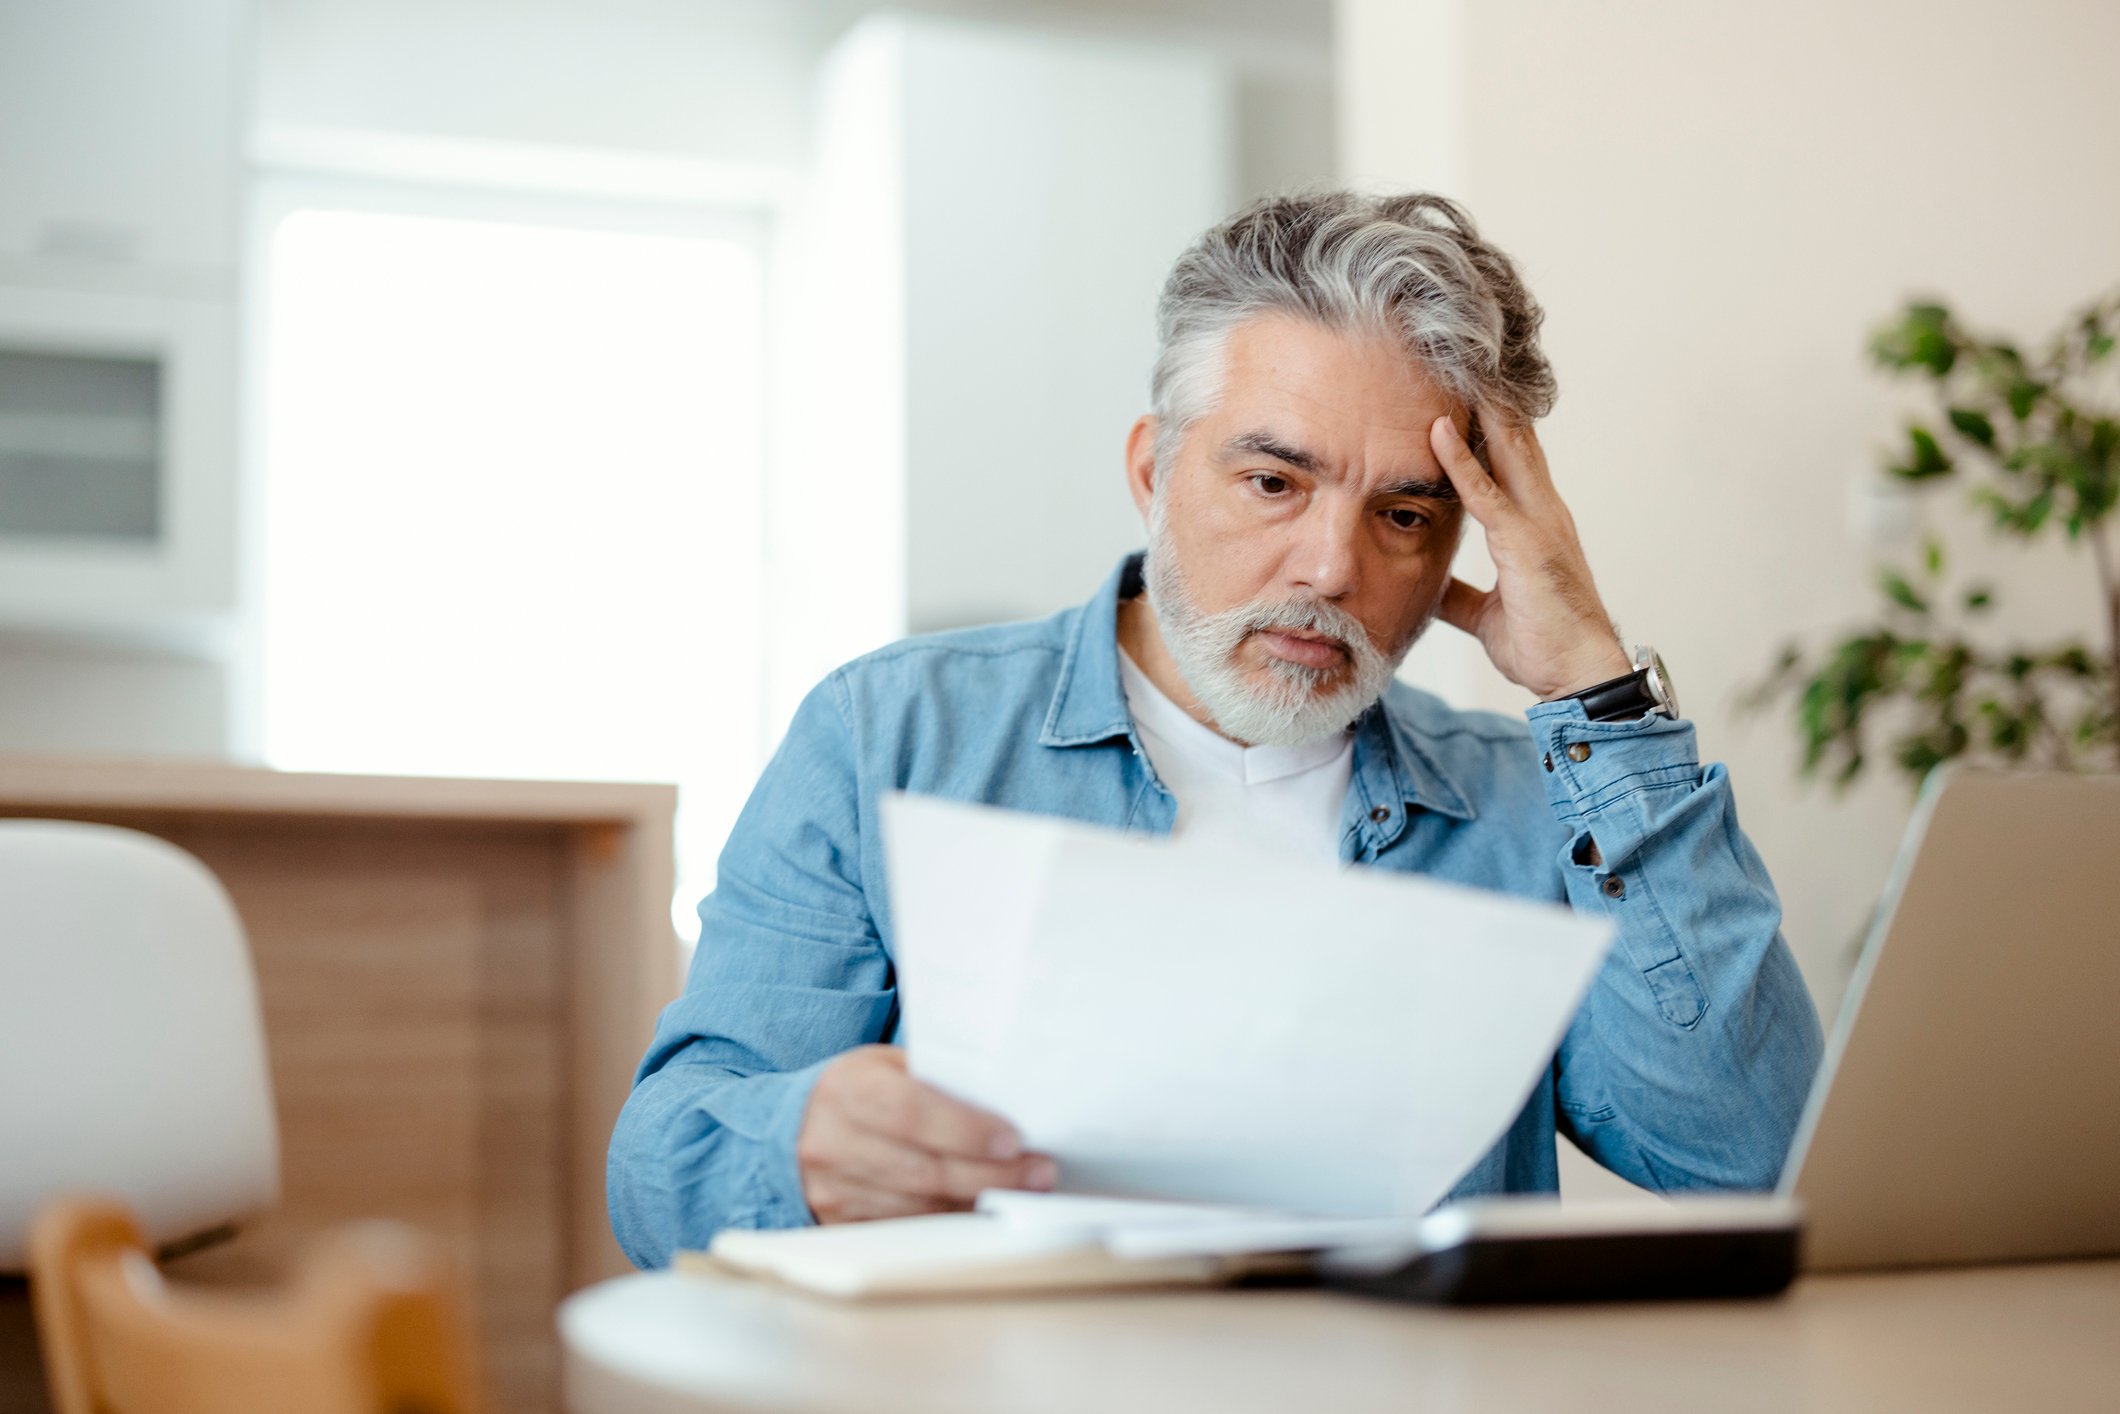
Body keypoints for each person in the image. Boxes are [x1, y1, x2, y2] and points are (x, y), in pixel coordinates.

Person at [606, 191, 1824, 1268]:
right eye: (1272, 483)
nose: (1331, 566)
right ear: (1152, 471)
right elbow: (658, 1175)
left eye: (1403, 515)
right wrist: (801, 1144)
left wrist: (1599, 698)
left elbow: (1751, 1160)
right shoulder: (890, 732)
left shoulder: (1524, 807)